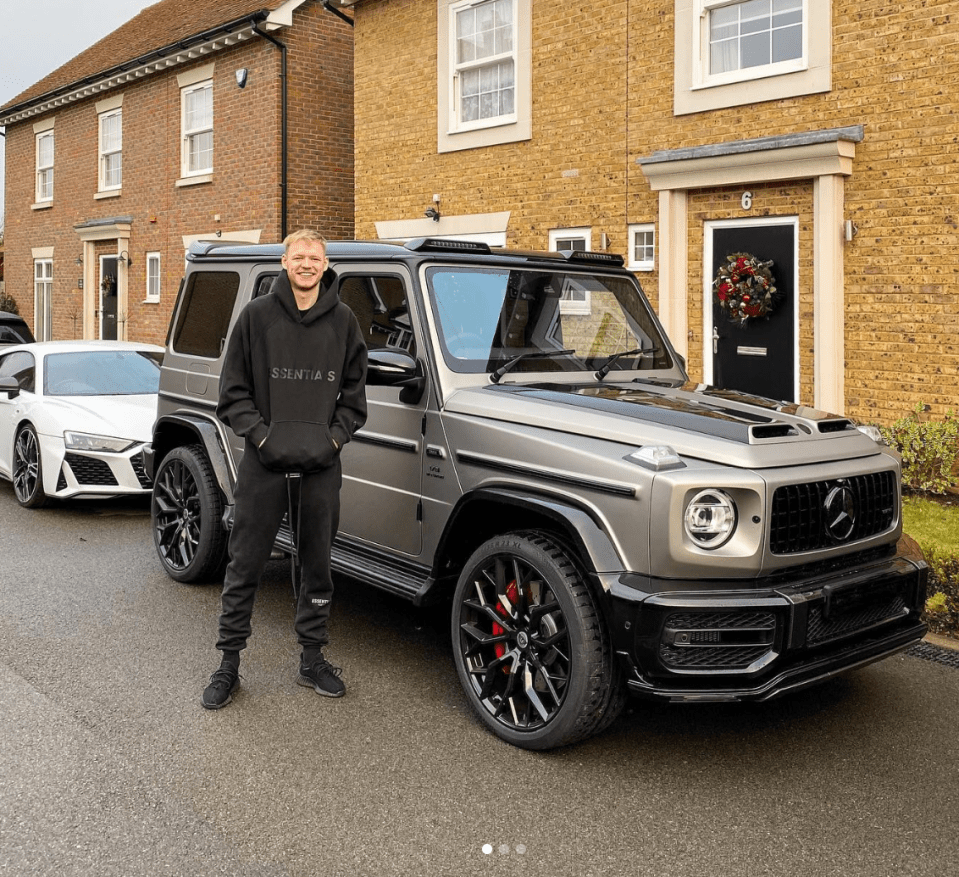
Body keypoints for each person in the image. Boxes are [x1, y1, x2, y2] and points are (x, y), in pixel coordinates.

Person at [201, 229, 368, 710]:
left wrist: (333, 440)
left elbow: (355, 399)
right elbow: (232, 393)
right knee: (245, 563)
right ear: (284, 261)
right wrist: (264, 436)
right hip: (264, 463)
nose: (307, 264)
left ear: (326, 262)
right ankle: (228, 664)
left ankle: (312, 660)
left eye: (315, 257)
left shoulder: (345, 322)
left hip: (321, 467)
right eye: (299, 256)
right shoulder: (255, 318)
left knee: (317, 564)